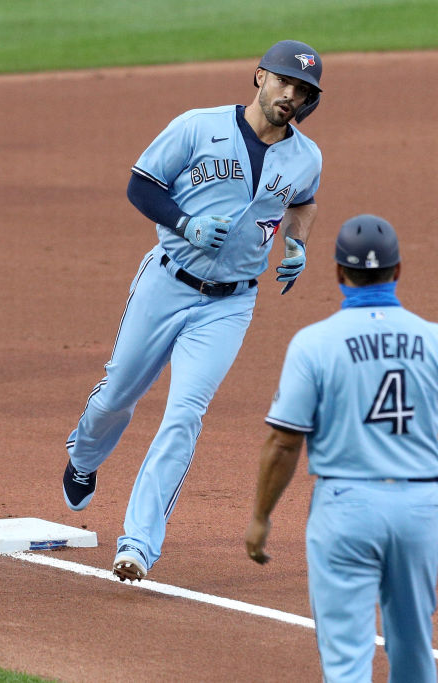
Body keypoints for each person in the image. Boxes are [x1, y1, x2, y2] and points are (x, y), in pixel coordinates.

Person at [62, 40, 325, 583]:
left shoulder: (306, 156)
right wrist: (185, 223)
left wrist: (298, 245)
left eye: (302, 91)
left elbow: (303, 200)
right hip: (165, 283)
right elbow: (142, 185)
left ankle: (137, 544)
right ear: (259, 77)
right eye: (283, 82)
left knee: (184, 414)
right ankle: (85, 458)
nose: (291, 95)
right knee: (118, 394)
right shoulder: (196, 126)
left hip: (229, 305)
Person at [244, 214, 438, 682]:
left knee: (347, 658)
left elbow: (285, 442)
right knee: (413, 647)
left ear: (338, 274)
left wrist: (262, 517)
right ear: (398, 271)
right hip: (417, 509)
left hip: (346, 508)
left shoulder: (314, 344)